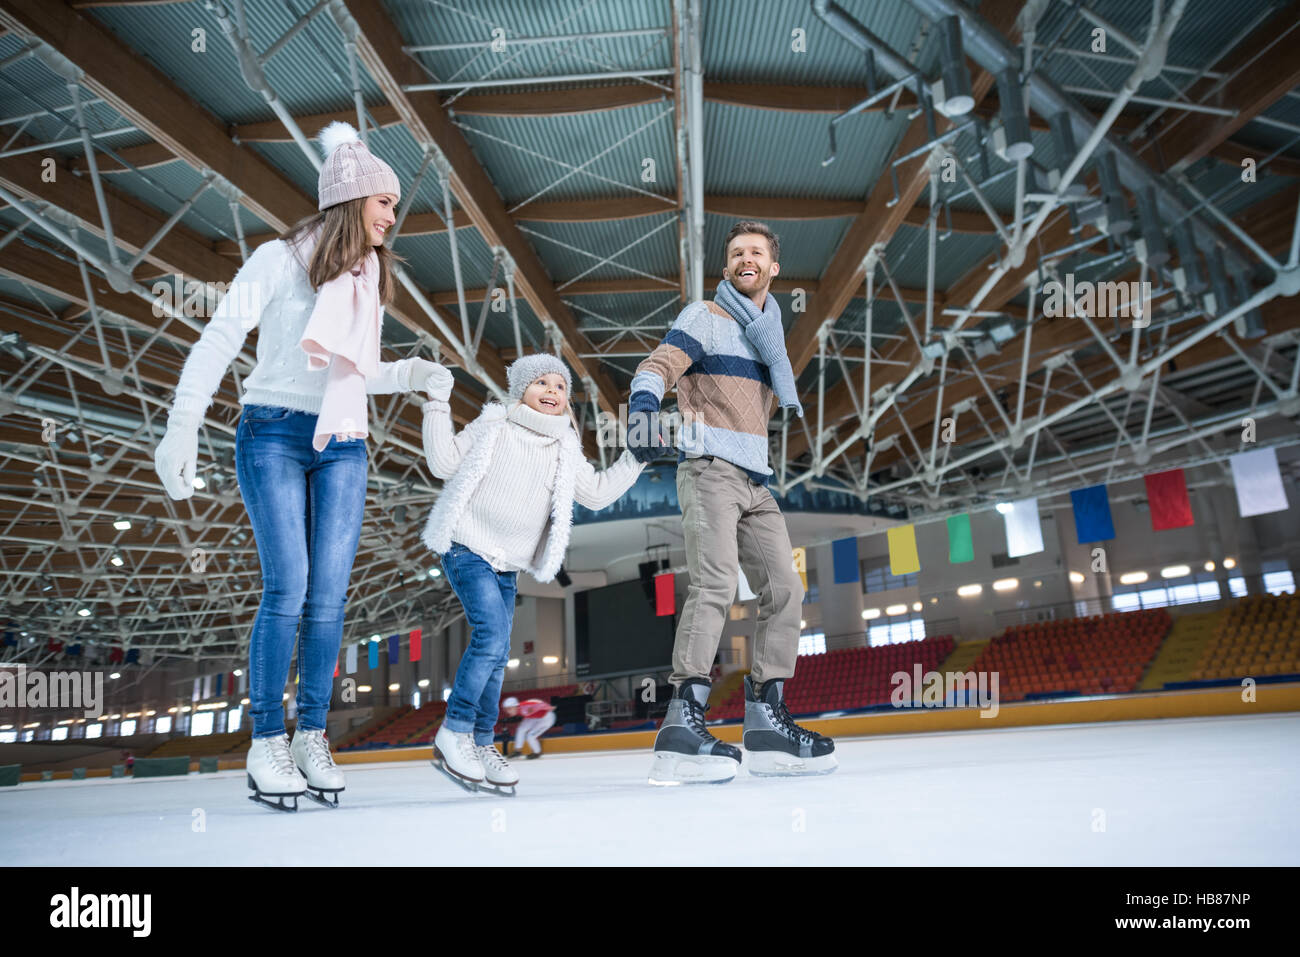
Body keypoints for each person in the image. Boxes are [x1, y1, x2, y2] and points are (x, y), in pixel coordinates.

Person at [153, 122, 440, 812]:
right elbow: (221, 333)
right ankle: (265, 739)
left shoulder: (366, 278)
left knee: (330, 595)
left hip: (342, 439)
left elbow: (356, 372)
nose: (392, 219)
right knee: (290, 584)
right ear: (353, 199)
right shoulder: (278, 261)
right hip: (272, 432)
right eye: (385, 204)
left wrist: (413, 372)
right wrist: (183, 419)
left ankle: (312, 732)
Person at [627, 221, 837, 784]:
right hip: (711, 470)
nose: (746, 258)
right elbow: (657, 365)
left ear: (773, 269)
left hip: (756, 480)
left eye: (757, 253)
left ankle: (766, 718)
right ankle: (683, 719)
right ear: (727, 268)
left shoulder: (770, 339)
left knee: (785, 588)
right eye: (736, 252)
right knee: (715, 582)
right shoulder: (705, 316)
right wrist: (644, 408)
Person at [420, 353, 643, 795]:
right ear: (520, 389)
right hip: (467, 546)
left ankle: (482, 743)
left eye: (559, 387)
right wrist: (436, 403)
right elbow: (444, 464)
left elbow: (596, 494)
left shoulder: (565, 446)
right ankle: (454, 729)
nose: (552, 392)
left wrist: (636, 458)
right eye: (541, 382)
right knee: (491, 637)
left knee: (498, 650)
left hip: (507, 564)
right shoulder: (495, 425)